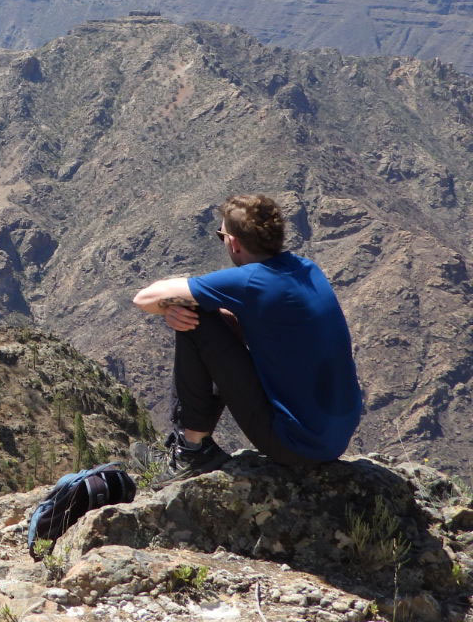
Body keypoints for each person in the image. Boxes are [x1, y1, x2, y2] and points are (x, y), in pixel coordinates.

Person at [131, 193, 361, 481]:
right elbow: (253, 317)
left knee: (198, 319)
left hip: (297, 445)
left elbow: (144, 298)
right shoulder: (306, 269)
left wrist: (175, 308)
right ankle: (188, 444)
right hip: (332, 436)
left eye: (221, 235)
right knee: (209, 315)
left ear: (234, 242)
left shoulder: (251, 280)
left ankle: (191, 449)